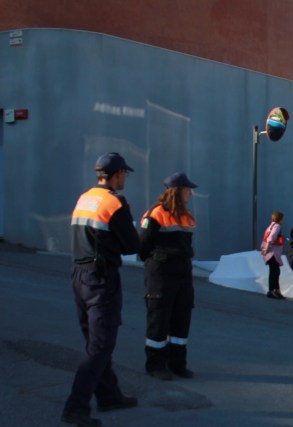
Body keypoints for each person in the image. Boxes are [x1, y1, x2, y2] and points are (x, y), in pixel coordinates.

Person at [62, 152, 140, 426]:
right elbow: (132, 245)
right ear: (117, 174)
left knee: (95, 341)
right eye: (125, 174)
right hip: (100, 279)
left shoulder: (84, 198)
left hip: (79, 275)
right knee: (100, 345)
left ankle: (109, 395)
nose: (125, 178)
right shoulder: (115, 202)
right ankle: (76, 407)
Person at [138, 172, 198, 382]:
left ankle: (177, 364)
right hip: (161, 271)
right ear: (177, 191)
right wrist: (156, 261)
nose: (190, 193)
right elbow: (143, 245)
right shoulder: (155, 214)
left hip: (182, 272)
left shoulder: (187, 215)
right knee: (159, 318)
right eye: (187, 189)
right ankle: (155, 364)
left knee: (182, 317)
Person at [261, 211, 286, 299]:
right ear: (279, 219)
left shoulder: (271, 225)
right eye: (283, 219)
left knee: (275, 271)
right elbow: (271, 237)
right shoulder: (277, 226)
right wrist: (267, 248)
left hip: (270, 252)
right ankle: (271, 291)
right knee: (274, 272)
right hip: (272, 252)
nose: (283, 221)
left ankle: (276, 290)